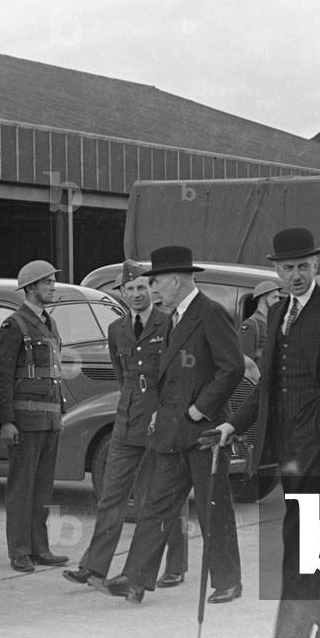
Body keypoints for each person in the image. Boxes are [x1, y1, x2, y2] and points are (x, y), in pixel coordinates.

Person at [232, 227, 320, 638]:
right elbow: (269, 383)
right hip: (288, 448)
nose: (296, 275)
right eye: (288, 268)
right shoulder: (276, 314)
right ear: (276, 271)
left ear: (316, 266)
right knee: (310, 538)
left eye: (303, 267)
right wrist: (234, 424)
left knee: (311, 539)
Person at [99, 246, 244, 605]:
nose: (153, 287)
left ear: (176, 281)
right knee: (156, 508)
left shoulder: (209, 313)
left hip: (203, 432)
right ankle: (134, 579)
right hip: (170, 430)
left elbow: (233, 367)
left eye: (156, 281)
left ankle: (228, 581)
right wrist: (159, 412)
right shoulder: (174, 316)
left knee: (214, 509)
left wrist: (200, 410)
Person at [64, 260, 187, 589]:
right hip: (127, 419)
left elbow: (176, 375)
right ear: (121, 293)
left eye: (141, 288)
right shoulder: (116, 328)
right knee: (111, 495)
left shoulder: (169, 323)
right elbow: (123, 375)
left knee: (159, 497)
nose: (136, 294)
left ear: (152, 290)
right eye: (129, 289)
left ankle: (175, 565)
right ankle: (94, 567)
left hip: (160, 419)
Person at [0, 260, 69, 572]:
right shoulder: (14, 325)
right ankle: (19, 551)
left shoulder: (49, 323)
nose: (53, 287)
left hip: (49, 419)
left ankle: (40, 548)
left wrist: (60, 413)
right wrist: (6, 420)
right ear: (31, 287)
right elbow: (1, 377)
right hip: (24, 421)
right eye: (47, 282)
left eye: (53, 282)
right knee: (22, 487)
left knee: (43, 489)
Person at [239, 279, 282, 368]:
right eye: (274, 297)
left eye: (279, 297)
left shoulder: (274, 323)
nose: (278, 301)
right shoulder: (250, 325)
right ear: (262, 299)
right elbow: (246, 363)